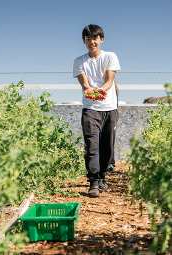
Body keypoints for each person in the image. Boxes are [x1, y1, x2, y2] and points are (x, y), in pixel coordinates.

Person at [73, 24, 121, 197]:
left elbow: (109, 81)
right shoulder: (79, 61)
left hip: (110, 108)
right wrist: (90, 91)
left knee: (107, 147)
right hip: (90, 108)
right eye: (88, 39)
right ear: (84, 41)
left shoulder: (110, 56)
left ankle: (102, 176)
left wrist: (102, 91)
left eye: (95, 38)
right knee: (91, 146)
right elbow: (85, 84)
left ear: (101, 40)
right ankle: (93, 182)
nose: (91, 42)